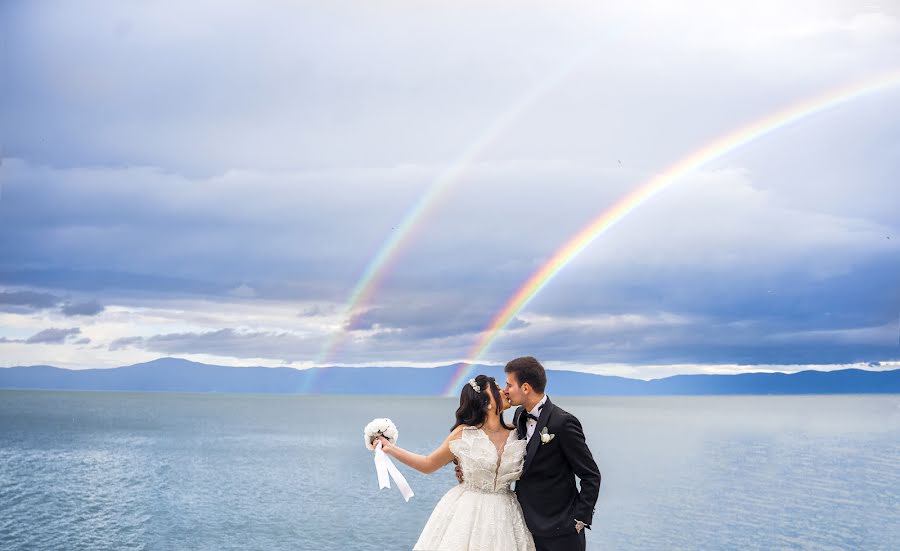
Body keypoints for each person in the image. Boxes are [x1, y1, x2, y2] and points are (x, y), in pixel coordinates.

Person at [374, 374, 536, 551]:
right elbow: (428, 464)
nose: (504, 391)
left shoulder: (518, 431)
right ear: (486, 403)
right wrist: (389, 448)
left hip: (507, 514)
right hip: (467, 512)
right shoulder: (464, 433)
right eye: (496, 388)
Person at [500, 356, 601, 551]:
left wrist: (579, 519)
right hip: (527, 527)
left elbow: (591, 475)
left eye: (509, 385)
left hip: (562, 531)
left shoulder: (563, 422)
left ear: (526, 388)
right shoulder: (520, 415)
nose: (505, 391)